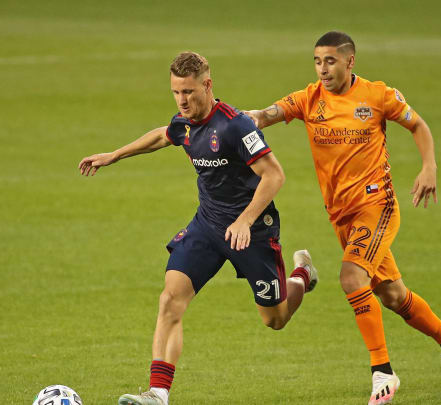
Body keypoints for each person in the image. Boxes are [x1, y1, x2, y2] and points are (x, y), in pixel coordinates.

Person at [78, 52, 319, 405]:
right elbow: (163, 135)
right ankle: (158, 393)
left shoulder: (237, 126)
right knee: (170, 298)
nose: (182, 100)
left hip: (252, 231)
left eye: (189, 91)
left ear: (207, 85)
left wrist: (245, 220)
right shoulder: (184, 122)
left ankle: (301, 275)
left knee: (275, 319)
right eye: (176, 92)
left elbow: (274, 175)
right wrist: (114, 155)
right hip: (207, 225)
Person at [244, 31, 441, 404]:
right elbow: (267, 114)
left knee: (352, 278)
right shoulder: (309, 98)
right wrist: (243, 119)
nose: (323, 69)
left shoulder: (377, 95)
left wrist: (428, 167)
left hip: (377, 207)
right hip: (342, 216)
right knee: (392, 295)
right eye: (317, 61)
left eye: (330, 61)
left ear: (350, 62)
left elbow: (418, 125)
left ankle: (382, 372)